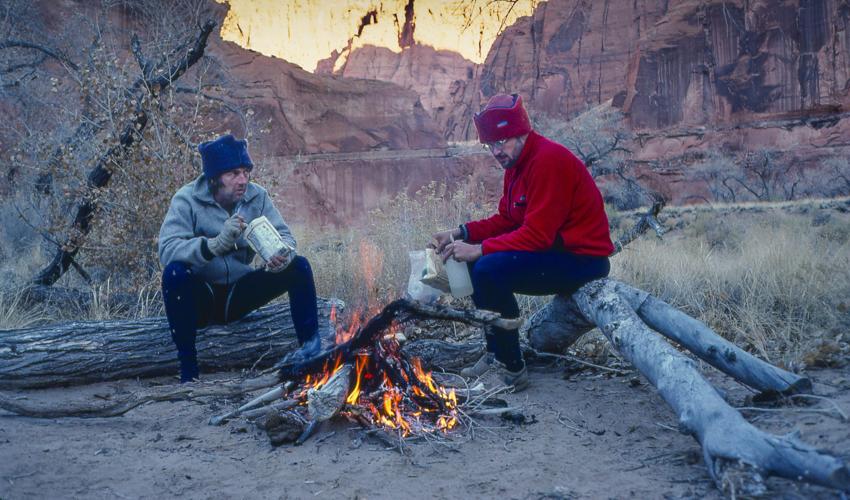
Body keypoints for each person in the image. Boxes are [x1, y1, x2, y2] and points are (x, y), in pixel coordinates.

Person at [431, 94, 614, 392]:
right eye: (490, 145)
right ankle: (495, 353)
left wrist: (479, 249)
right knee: (480, 265)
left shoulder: (547, 161)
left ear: (522, 133)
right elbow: (506, 220)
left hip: (583, 260)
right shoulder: (516, 166)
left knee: (488, 268)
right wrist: (459, 233)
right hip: (557, 251)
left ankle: (511, 369)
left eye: (501, 142)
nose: (496, 151)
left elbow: (537, 235)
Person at [158, 134, 321, 382]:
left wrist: (280, 256)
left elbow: (287, 237)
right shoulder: (186, 199)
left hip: (239, 293)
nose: (242, 180)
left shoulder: (257, 196)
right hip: (203, 297)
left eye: (246, 172)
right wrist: (213, 245)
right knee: (174, 274)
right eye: (233, 174)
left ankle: (313, 357)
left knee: (299, 266)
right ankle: (189, 372)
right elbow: (167, 250)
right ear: (214, 178)